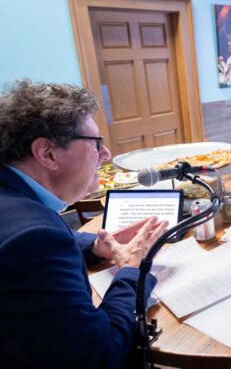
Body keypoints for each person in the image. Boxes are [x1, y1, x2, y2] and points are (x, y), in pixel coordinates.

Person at [0, 80, 169, 368]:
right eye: (96, 143)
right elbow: (100, 355)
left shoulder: (14, 197)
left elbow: (48, 235)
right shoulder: (34, 238)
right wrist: (130, 272)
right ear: (48, 153)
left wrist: (95, 246)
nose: (106, 155)